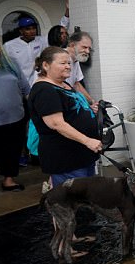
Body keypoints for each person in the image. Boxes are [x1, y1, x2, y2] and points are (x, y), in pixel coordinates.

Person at [28, 47, 102, 188]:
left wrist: (88, 109)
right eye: (63, 63)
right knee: (73, 202)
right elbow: (56, 124)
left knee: (86, 198)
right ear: (45, 65)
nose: (68, 66)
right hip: (66, 158)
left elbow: (70, 109)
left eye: (69, 63)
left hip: (82, 155)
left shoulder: (63, 83)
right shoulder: (44, 90)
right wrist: (87, 141)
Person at [0, 37, 30, 191]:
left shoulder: (11, 65)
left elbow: (25, 88)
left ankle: (8, 181)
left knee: (12, 150)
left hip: (16, 117)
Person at [4, 16, 49, 84]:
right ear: (21, 31)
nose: (32, 31)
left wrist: (66, 15)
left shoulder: (41, 40)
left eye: (34, 28)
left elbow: (56, 33)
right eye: (28, 29)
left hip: (37, 81)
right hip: (19, 83)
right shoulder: (9, 45)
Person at [64, 31, 96, 110]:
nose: (87, 51)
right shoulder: (61, 58)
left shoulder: (75, 59)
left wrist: (92, 101)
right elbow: (60, 85)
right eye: (84, 47)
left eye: (89, 48)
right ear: (72, 45)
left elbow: (76, 84)